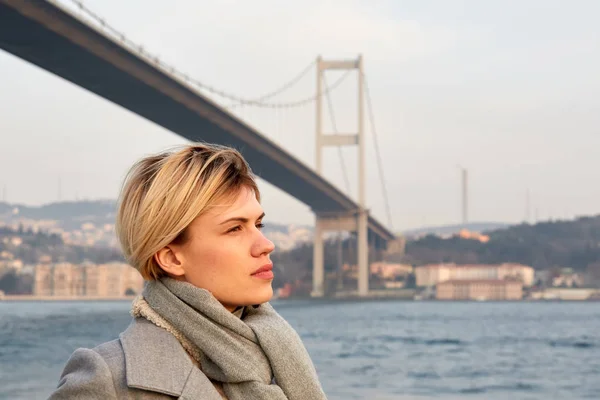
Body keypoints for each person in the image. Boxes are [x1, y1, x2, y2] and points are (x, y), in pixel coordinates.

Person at [48, 143, 327, 400]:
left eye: (259, 225)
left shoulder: (278, 353)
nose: (266, 245)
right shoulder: (107, 379)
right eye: (234, 228)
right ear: (171, 258)